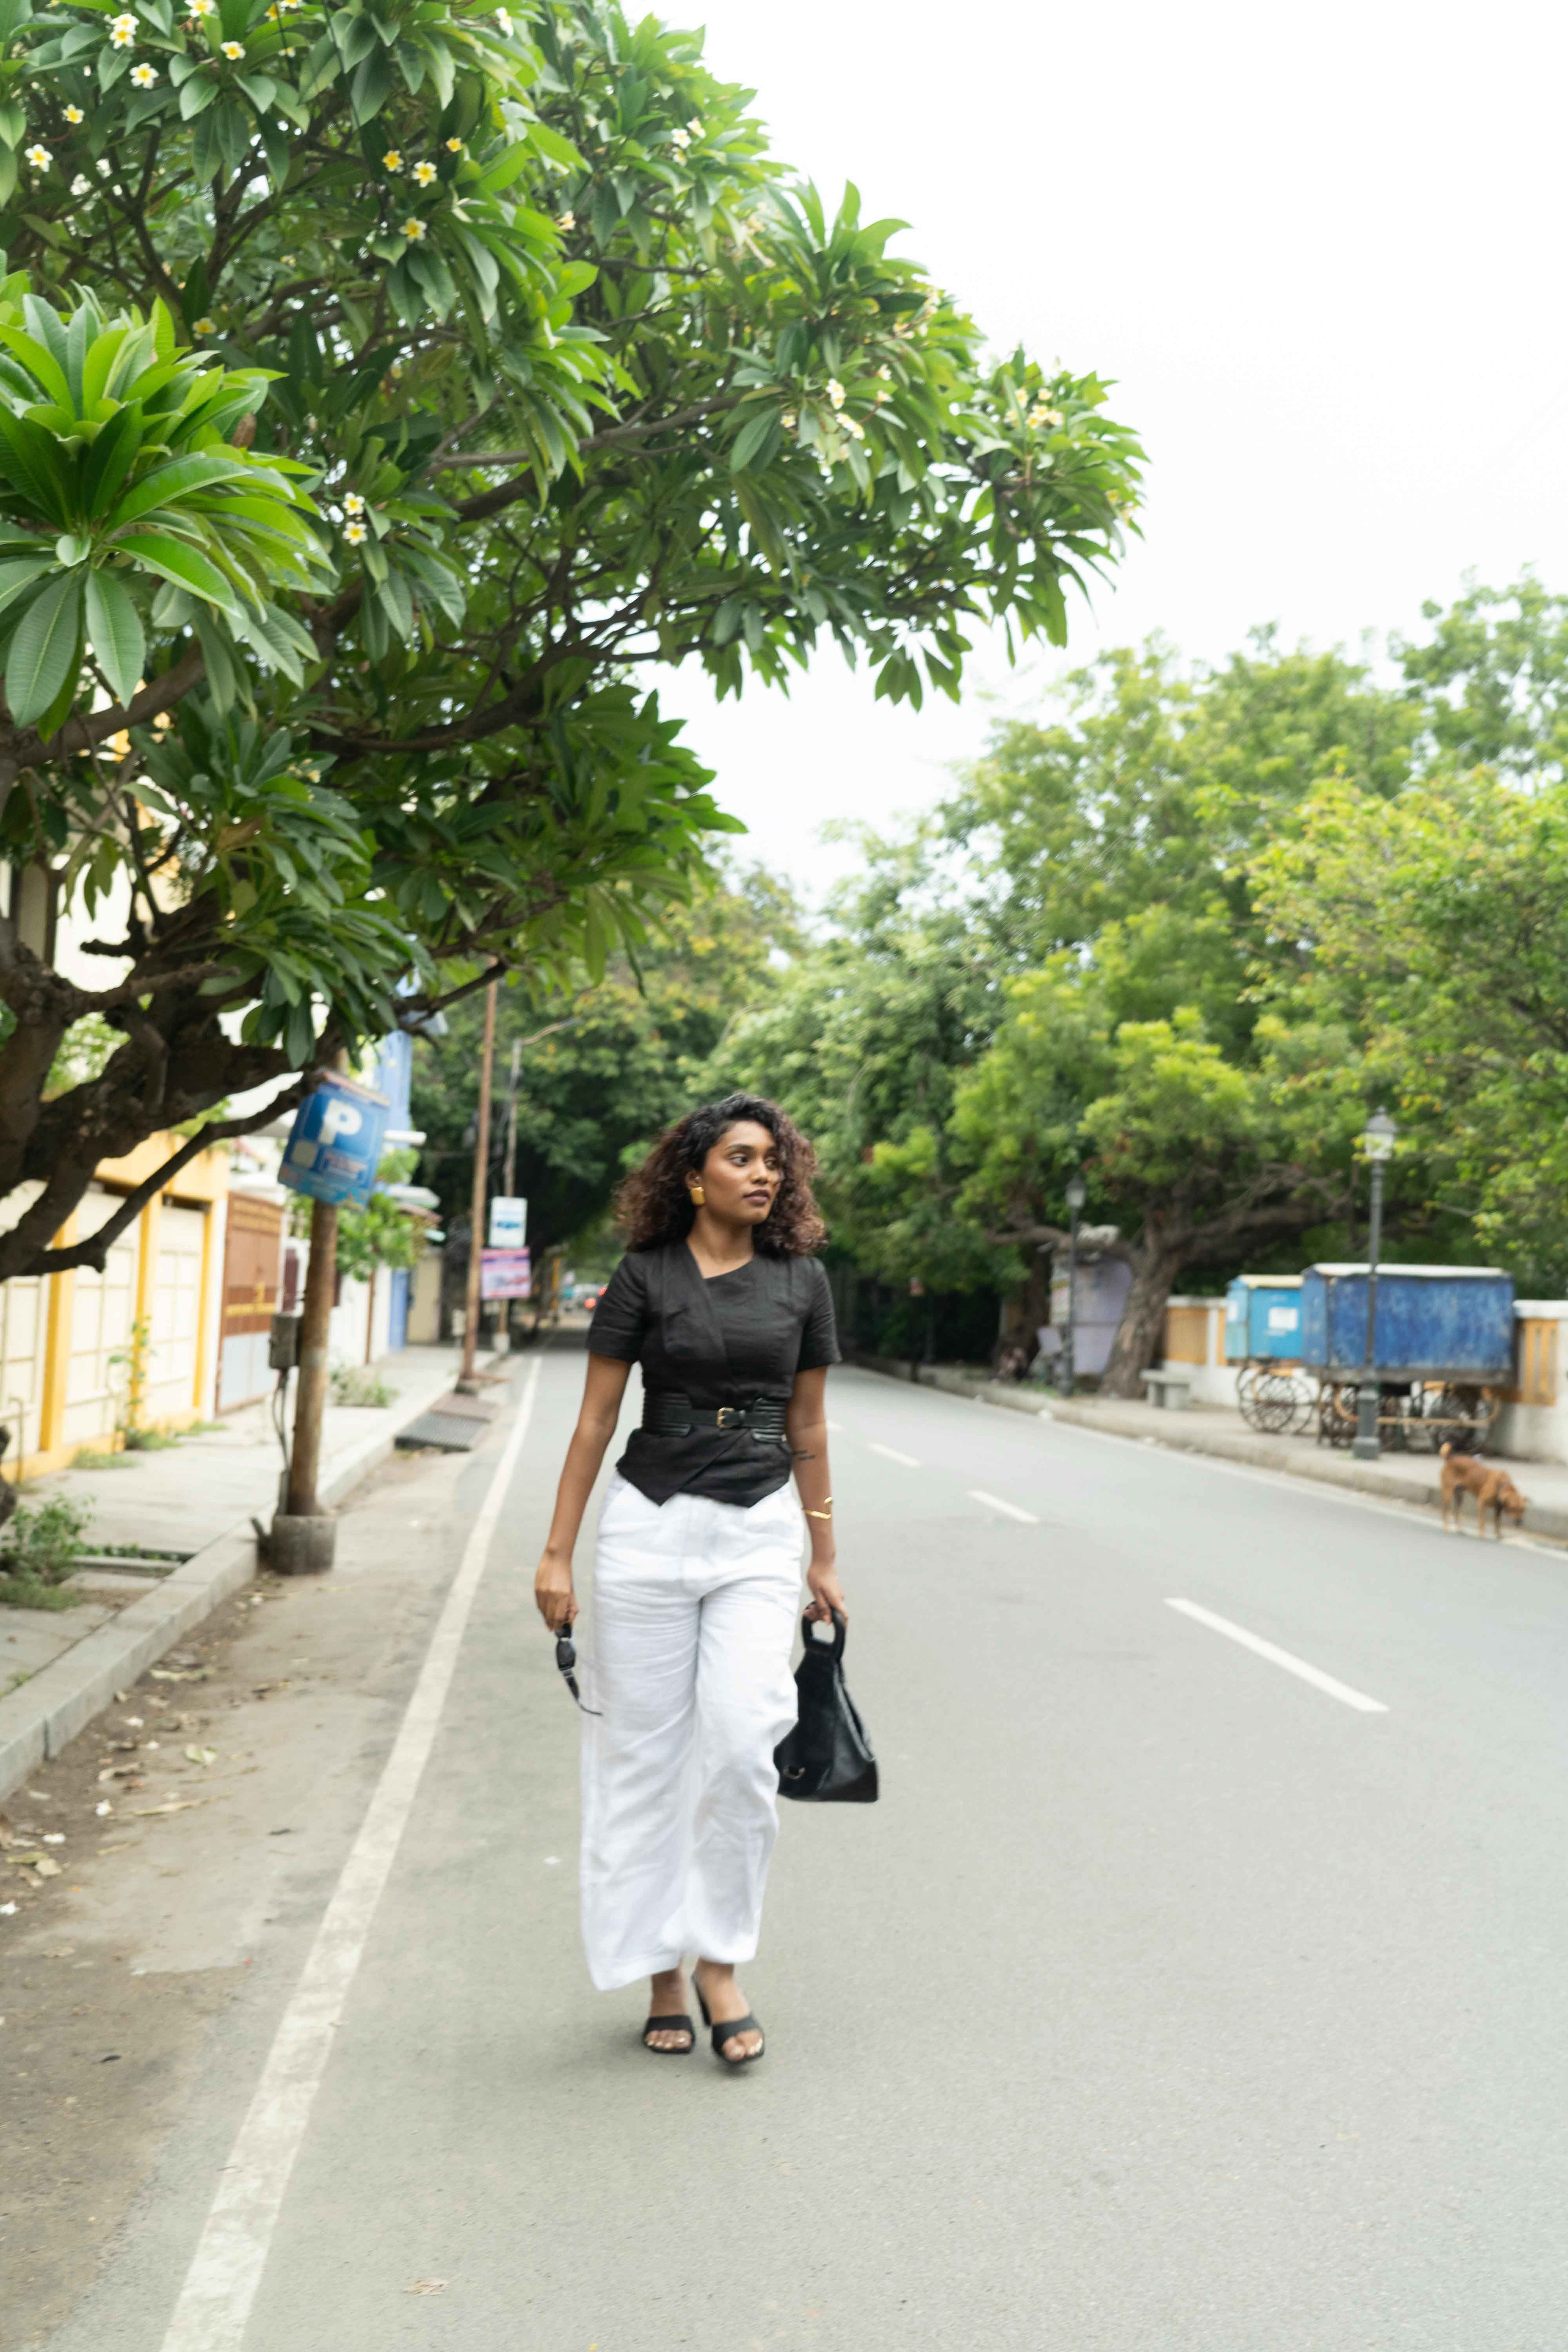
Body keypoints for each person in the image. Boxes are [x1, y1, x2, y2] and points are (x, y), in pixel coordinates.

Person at [534, 1091, 845, 2066]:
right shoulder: (644, 1276)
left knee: (748, 1740)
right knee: (644, 1757)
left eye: (775, 1163)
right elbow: (594, 1421)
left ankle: (720, 1956)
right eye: (744, 1158)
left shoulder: (803, 1283)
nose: (765, 1175)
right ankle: (662, 1967)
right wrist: (555, 1551)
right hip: (649, 1530)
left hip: (758, 1529)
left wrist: (825, 1555)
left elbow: (809, 1429)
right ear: (693, 1173)